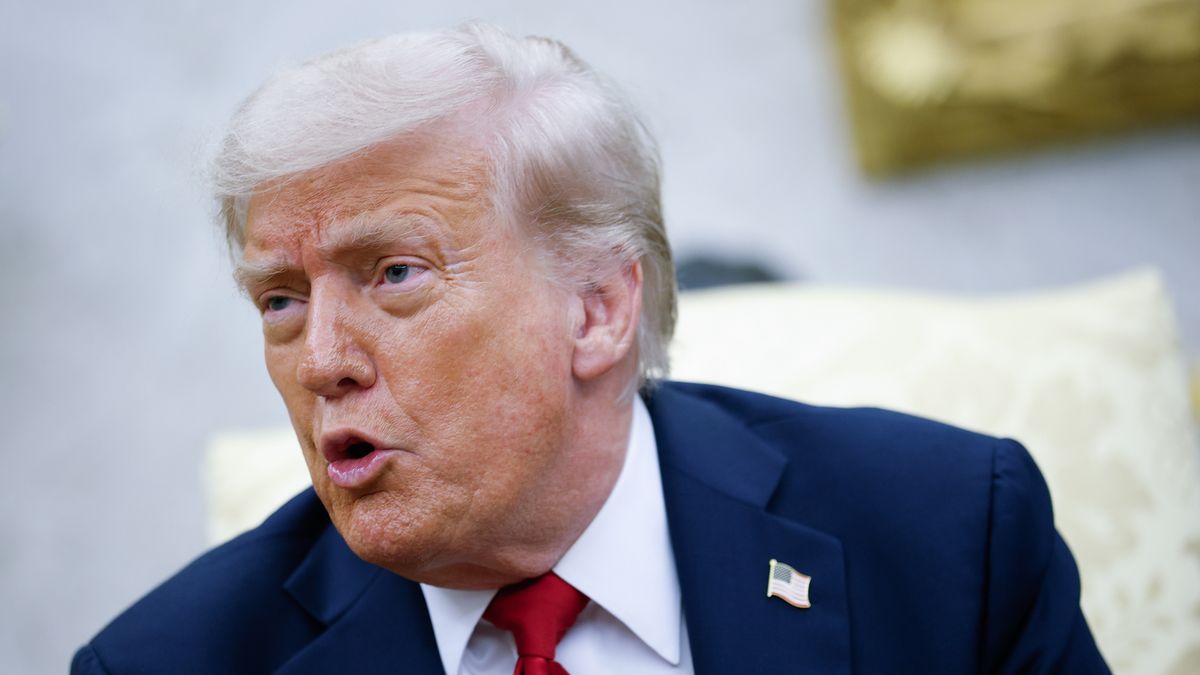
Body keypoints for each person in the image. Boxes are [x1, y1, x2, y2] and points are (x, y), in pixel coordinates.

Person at [72, 23, 1110, 674]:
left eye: (393, 274)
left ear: (599, 309)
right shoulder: (170, 661)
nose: (321, 360)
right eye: (282, 300)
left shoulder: (945, 534)